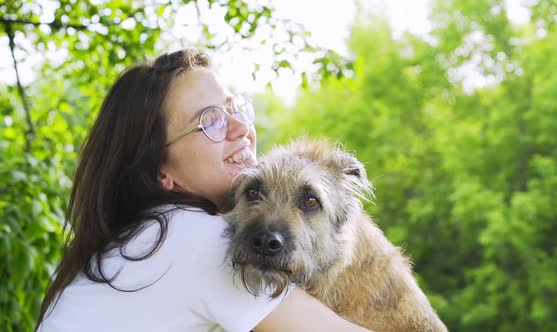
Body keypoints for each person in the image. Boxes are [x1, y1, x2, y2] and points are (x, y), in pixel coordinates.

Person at [36, 48, 370, 332]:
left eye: (234, 108)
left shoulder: (143, 238)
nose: (242, 129)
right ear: (161, 172)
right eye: (210, 121)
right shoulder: (196, 240)